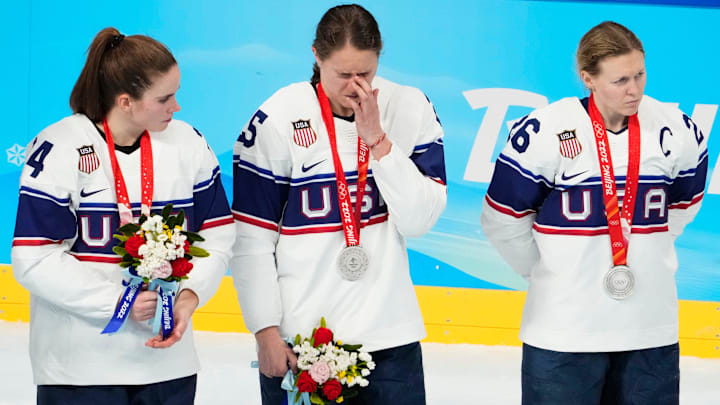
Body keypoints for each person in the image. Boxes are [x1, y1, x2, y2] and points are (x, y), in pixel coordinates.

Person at [481, 21, 707, 404]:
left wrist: (644, 253)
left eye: (639, 74)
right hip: (562, 332)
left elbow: (681, 211)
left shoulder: (678, 130)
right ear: (588, 78)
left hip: (649, 331)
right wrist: (550, 272)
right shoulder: (544, 131)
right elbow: (502, 221)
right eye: (620, 80)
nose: (634, 89)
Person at [230, 4, 446, 404]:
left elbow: (419, 220)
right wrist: (263, 330)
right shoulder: (276, 119)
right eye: (343, 75)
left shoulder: (410, 107)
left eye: (365, 72)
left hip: (392, 342)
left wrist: (378, 142)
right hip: (302, 343)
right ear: (316, 55)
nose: (355, 85)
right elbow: (251, 242)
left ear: (379, 57)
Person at [11, 27, 234, 404]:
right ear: (126, 101)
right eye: (165, 98)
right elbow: (33, 257)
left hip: (168, 366)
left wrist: (190, 296)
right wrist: (115, 302)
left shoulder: (188, 143)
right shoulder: (61, 147)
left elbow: (218, 232)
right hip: (79, 369)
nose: (176, 107)